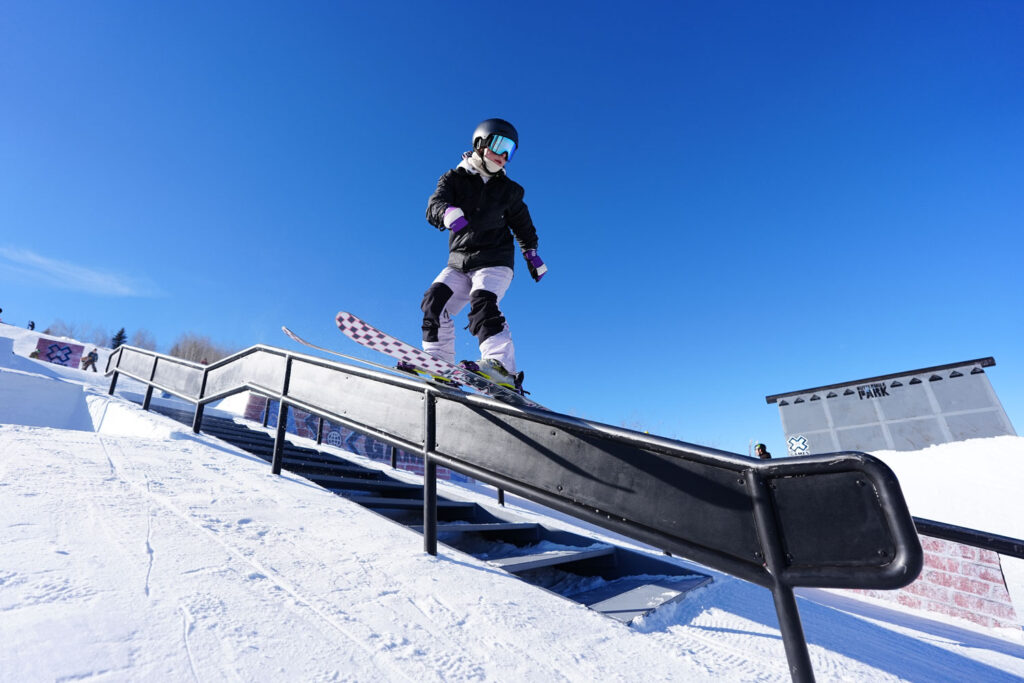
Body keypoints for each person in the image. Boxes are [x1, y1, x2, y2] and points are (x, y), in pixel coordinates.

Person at [412, 118, 547, 393]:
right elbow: (434, 205)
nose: (504, 156)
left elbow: (523, 225)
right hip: (460, 260)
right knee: (434, 301)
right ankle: (439, 362)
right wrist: (447, 213)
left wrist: (531, 253)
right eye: (500, 145)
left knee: (482, 302)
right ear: (480, 143)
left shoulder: (508, 191)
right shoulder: (455, 179)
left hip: (495, 260)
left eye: (511, 150)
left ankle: (500, 367)